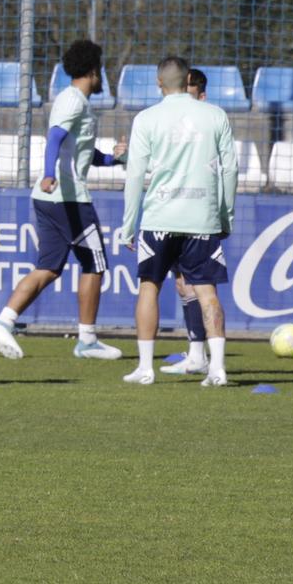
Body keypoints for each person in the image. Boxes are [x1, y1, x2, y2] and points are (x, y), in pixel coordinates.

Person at [0, 40, 126, 362]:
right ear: (94, 70)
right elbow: (55, 137)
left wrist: (117, 160)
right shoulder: (73, 101)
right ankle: (87, 340)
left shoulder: (76, 102)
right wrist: (49, 174)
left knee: (48, 268)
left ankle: (3, 321)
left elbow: (84, 157)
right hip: (67, 199)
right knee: (95, 264)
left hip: (52, 198)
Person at [116, 56, 237, 387]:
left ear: (159, 83)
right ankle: (218, 369)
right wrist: (225, 215)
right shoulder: (215, 116)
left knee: (149, 288)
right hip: (201, 219)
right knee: (207, 291)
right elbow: (230, 170)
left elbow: (136, 174)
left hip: (159, 219)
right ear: (188, 82)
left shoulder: (147, 118)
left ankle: (145, 368)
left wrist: (128, 226)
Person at [161, 66, 217, 375]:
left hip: (199, 215)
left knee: (202, 285)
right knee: (183, 285)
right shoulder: (172, 122)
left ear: (202, 96)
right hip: (172, 211)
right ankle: (197, 353)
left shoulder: (211, 125)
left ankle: (209, 355)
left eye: (191, 93)